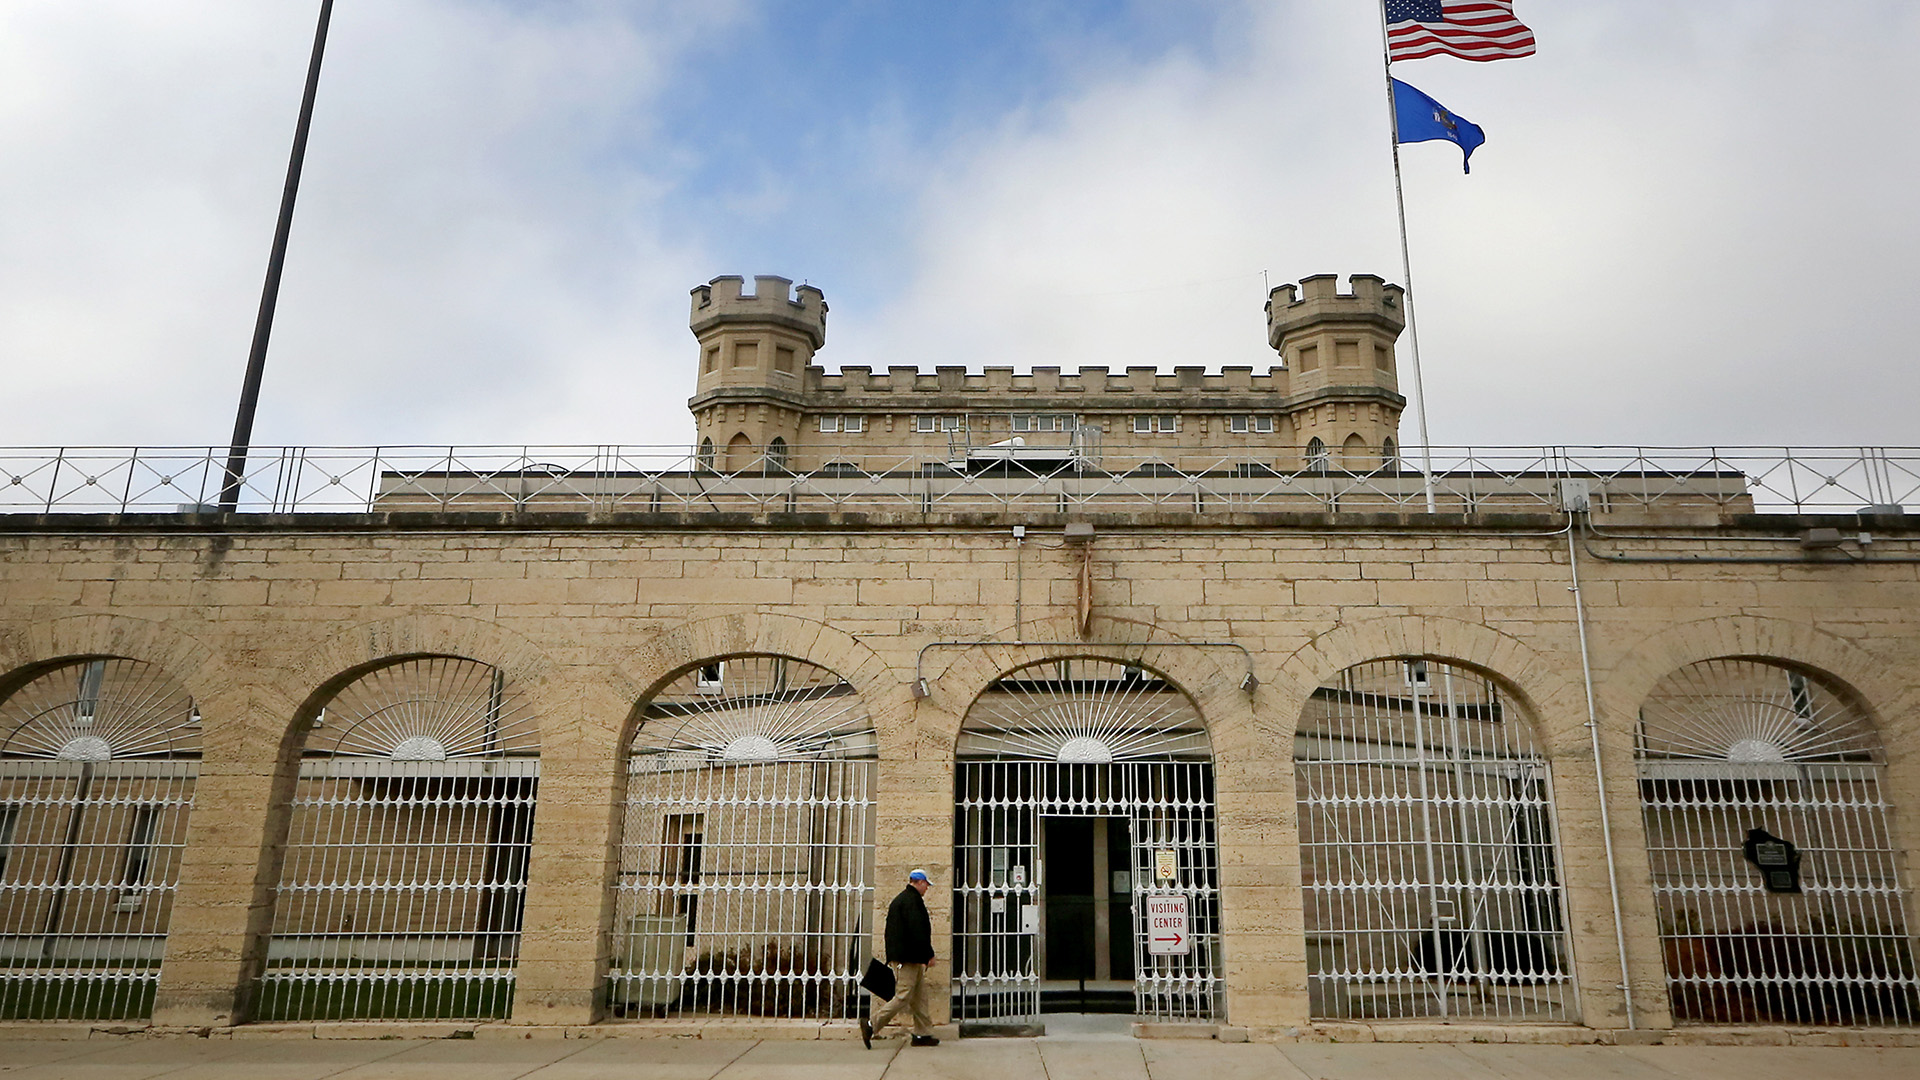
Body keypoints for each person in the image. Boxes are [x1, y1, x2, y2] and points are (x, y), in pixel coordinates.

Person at [861, 868, 939, 1048]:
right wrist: (928, 954)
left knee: (920, 998)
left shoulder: (905, 899)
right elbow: (917, 932)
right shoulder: (911, 902)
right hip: (909, 958)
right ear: (919, 882)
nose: (927, 888)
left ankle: (923, 1034)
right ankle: (872, 1025)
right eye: (926, 884)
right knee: (903, 996)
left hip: (910, 957)